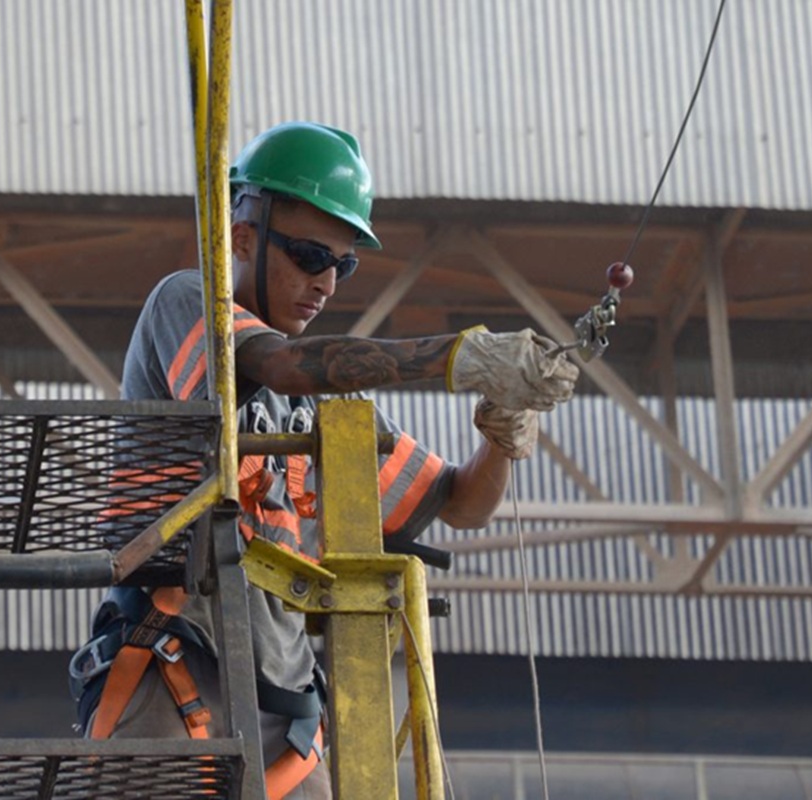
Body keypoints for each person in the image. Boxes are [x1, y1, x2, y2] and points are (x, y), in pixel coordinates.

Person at [69, 121, 578, 798]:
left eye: (344, 265)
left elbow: (460, 504)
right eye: (311, 256)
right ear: (243, 233)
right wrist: (459, 357)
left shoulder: (321, 414)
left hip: (287, 719)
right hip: (172, 675)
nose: (328, 284)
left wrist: (502, 433)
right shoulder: (187, 304)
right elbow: (276, 364)